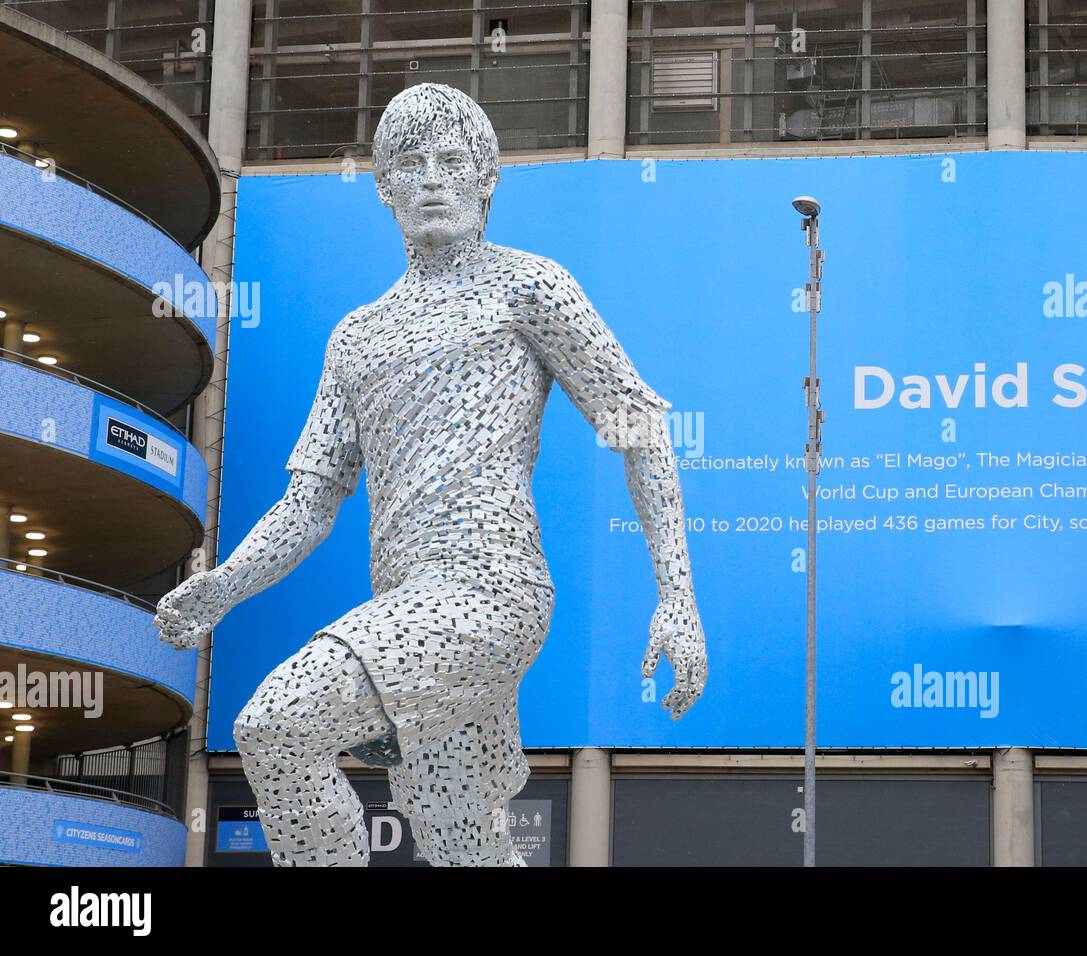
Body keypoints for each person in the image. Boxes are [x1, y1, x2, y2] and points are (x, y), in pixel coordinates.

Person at [154, 84, 707, 866]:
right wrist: (226, 585)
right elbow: (309, 504)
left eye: (453, 161)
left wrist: (677, 599)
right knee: (462, 844)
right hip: (407, 603)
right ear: (383, 188)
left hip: (490, 593)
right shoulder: (357, 338)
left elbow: (640, 428)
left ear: (488, 179)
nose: (434, 179)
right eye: (410, 164)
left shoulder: (528, 288)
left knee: (275, 722)